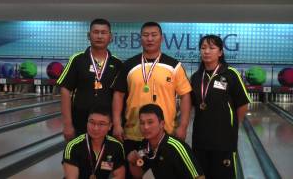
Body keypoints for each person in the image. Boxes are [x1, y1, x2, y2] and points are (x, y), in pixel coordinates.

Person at [112, 21, 192, 154]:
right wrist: (116, 124)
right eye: (145, 35)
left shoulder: (174, 66)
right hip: (133, 133)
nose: (149, 39)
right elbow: (118, 95)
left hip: (166, 133)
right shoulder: (129, 65)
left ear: (161, 38)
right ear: (140, 38)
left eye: (154, 35)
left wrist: (183, 126)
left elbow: (185, 95)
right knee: (132, 171)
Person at [190, 35, 250, 179]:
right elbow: (192, 106)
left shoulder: (230, 74)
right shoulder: (196, 77)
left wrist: (233, 125)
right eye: (203, 48)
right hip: (200, 140)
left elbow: (242, 104)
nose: (207, 51)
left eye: (212, 48)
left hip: (224, 141)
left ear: (220, 52)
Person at [57, 18, 122, 141]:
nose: (99, 36)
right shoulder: (77, 60)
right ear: (89, 35)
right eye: (96, 32)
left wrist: (118, 124)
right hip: (79, 123)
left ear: (111, 37)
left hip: (108, 126)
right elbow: (65, 90)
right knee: (77, 159)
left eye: (103, 32)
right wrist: (67, 124)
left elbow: (119, 96)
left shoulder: (117, 63)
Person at [127, 104, 204, 179]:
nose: (145, 127)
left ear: (162, 124)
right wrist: (133, 162)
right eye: (142, 123)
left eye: (150, 122)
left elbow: (199, 177)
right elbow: (140, 176)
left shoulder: (176, 147)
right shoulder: (144, 144)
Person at [62, 105, 125, 179]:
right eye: (92, 122)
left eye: (101, 124)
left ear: (110, 126)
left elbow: (119, 175)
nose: (95, 128)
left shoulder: (116, 146)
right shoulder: (73, 146)